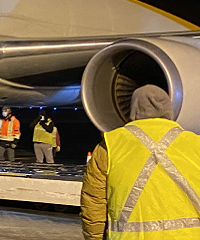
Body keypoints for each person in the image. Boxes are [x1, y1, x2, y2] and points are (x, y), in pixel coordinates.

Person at [81, 85, 200, 240]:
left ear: (134, 109)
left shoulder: (110, 146)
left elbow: (93, 203)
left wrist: (94, 237)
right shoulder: (195, 143)